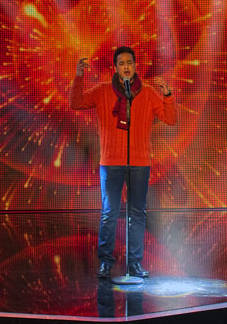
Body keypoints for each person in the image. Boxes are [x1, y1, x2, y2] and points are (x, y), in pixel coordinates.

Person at [69, 45, 177, 279]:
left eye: (129, 63)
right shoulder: (102, 91)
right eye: (121, 64)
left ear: (135, 66)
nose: (126, 67)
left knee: (137, 214)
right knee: (109, 212)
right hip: (111, 162)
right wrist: (78, 77)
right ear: (115, 68)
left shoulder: (148, 93)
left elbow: (170, 119)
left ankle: (135, 263)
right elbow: (76, 103)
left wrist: (168, 96)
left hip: (139, 163)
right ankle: (106, 263)